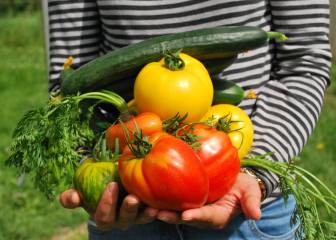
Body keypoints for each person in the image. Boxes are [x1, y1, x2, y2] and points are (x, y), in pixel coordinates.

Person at [44, 0, 332, 239]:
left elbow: (305, 64)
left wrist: (256, 174)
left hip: (249, 210)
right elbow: (70, 87)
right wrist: (93, 172)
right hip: (126, 201)